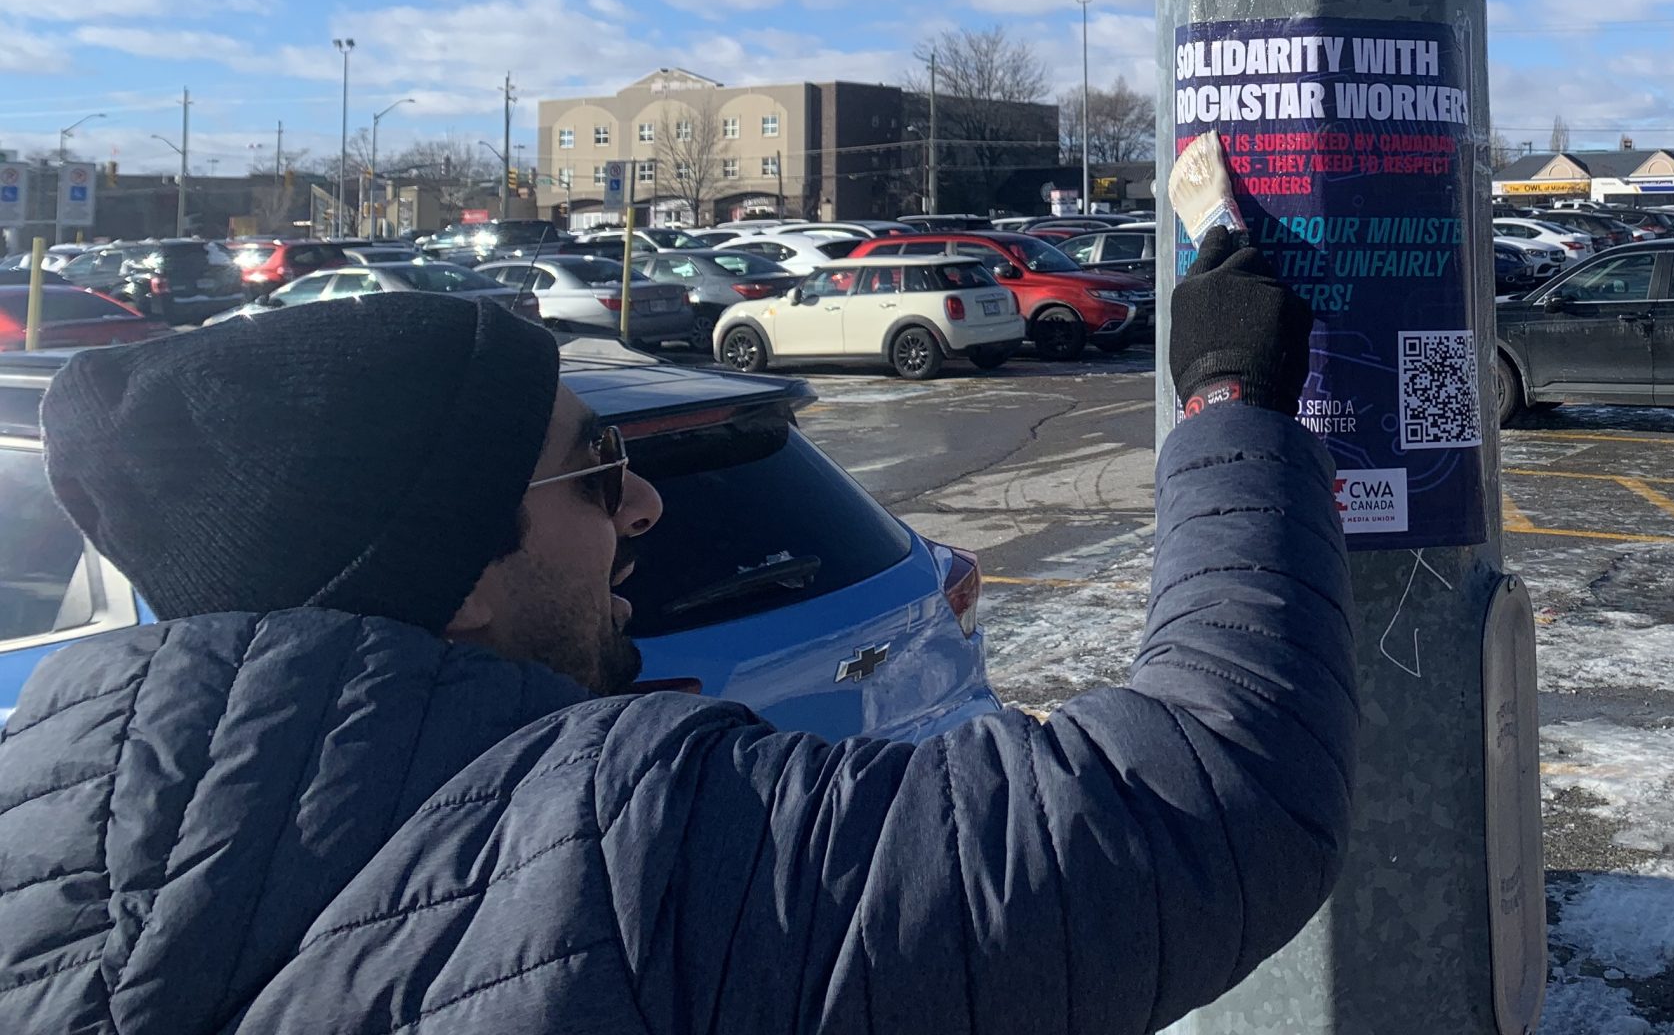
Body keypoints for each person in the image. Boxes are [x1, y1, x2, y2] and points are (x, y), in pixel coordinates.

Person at [0, 226, 1352, 1035]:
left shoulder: (35, 830)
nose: (643, 503)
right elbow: (1209, 800)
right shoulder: (620, 844)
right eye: (593, 472)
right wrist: (1231, 401)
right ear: (456, 578)